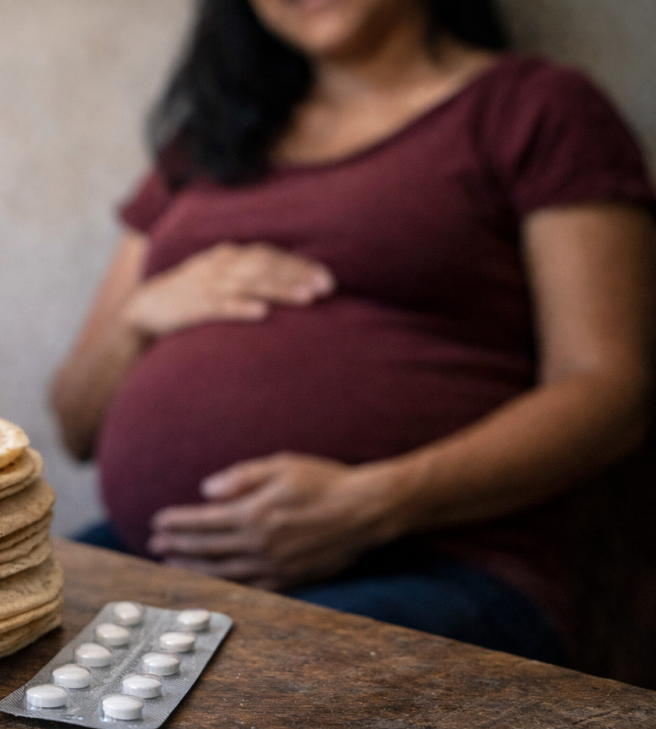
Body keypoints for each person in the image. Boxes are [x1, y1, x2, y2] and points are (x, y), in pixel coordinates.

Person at [51, 0, 654, 663]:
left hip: (433, 564)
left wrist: (377, 503)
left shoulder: (534, 108)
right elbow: (74, 424)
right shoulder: (207, 145)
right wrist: (140, 317)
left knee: (226, 708)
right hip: (157, 559)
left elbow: (610, 390)